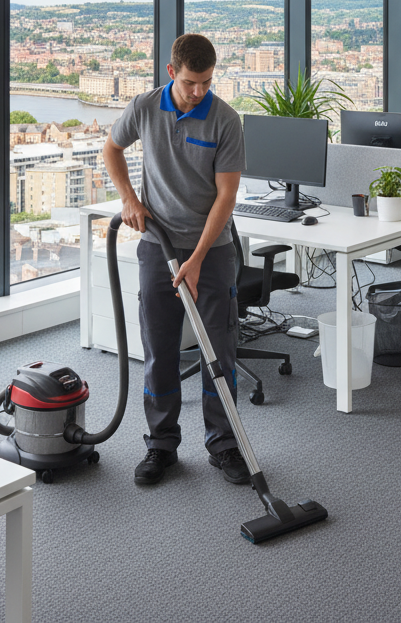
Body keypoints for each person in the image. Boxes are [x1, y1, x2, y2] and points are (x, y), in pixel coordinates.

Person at [103, 33, 247, 487]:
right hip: (158, 245)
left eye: (207, 82)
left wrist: (199, 257)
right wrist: (129, 198)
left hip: (212, 249)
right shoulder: (145, 108)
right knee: (159, 348)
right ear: (171, 72)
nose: (199, 91)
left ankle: (224, 444)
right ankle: (161, 443)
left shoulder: (225, 120)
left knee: (218, 350)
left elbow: (226, 197)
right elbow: (111, 148)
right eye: (190, 82)